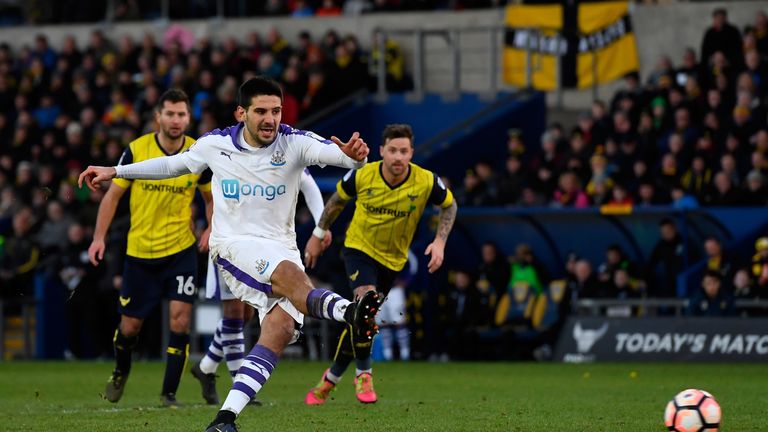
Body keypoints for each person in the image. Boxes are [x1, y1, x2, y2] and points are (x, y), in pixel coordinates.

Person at [79, 76, 380, 432]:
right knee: (282, 283)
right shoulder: (215, 145)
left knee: (279, 329)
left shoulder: (294, 141)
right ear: (242, 113)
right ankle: (348, 311)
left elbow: (340, 158)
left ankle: (224, 419)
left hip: (282, 245)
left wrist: (356, 158)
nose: (271, 119)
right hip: (233, 245)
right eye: (261, 111)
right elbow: (172, 166)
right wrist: (115, 170)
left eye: (276, 111)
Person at [302, 123, 457, 405]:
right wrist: (318, 234)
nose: (398, 157)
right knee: (365, 304)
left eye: (404, 151)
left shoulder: (425, 181)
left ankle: (330, 379)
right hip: (358, 250)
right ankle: (364, 374)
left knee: (361, 320)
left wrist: (440, 242)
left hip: (393, 260)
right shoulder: (363, 174)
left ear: (411, 153)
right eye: (393, 150)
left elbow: (449, 205)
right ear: (382, 151)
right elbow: (336, 202)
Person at [86, 88, 214, 407]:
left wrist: (212, 227)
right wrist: (98, 238)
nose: (175, 120)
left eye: (181, 114)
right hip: (140, 253)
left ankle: (169, 393)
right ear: (158, 117)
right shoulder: (136, 150)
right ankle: (120, 371)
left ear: (188, 117)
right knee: (130, 327)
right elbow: (112, 196)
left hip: (181, 251)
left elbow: (211, 198)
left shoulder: (197, 153)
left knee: (181, 320)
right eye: (169, 114)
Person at [190, 168, 329, 406]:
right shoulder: (223, 148)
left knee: (244, 315)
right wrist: (212, 225)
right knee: (234, 313)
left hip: (264, 247)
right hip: (229, 244)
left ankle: (206, 366)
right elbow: (207, 189)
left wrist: (320, 225)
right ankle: (241, 385)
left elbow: (307, 182)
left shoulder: (281, 148)